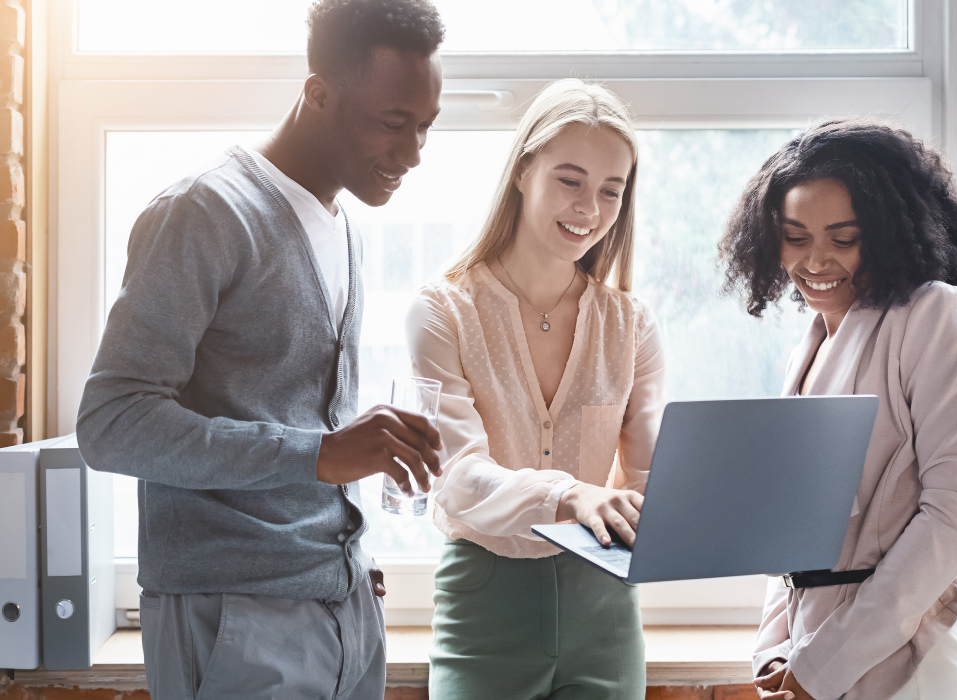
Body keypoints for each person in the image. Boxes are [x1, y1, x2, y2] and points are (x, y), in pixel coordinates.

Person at [75, 1, 446, 697]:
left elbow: (280, 409)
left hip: (344, 610)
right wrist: (323, 454)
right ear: (317, 94)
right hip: (234, 617)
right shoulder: (203, 214)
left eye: (425, 127)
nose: (413, 154)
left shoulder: (344, 225)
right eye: (394, 124)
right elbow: (112, 422)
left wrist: (364, 453)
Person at [719, 120, 957, 700]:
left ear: (891, 233)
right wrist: (776, 650)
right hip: (810, 659)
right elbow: (793, 536)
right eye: (795, 237)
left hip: (909, 670)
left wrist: (823, 666)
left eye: (843, 238)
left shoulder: (935, 317)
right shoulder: (812, 342)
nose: (815, 261)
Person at [406, 78, 666, 700]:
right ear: (524, 171)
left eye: (611, 190)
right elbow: (458, 476)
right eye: (570, 180)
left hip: (606, 605)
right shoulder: (444, 312)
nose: (589, 209)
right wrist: (570, 494)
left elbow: (649, 478)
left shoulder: (631, 325)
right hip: (484, 605)